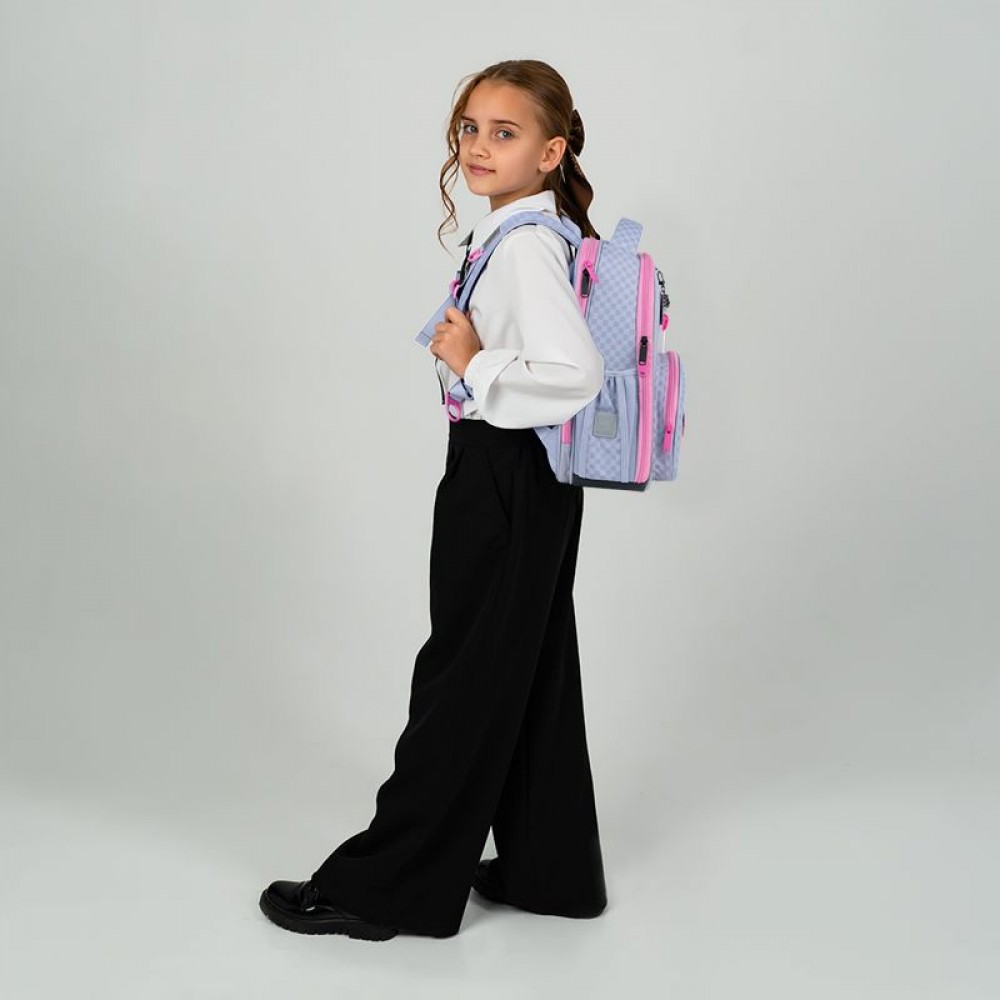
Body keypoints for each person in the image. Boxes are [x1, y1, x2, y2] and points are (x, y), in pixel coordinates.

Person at [259, 58, 609, 941]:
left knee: (461, 675)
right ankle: (551, 871)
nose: (479, 147)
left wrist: (473, 361)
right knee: (531, 666)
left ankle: (389, 890)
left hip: (502, 469)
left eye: (505, 133)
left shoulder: (524, 245)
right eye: (469, 129)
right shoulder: (527, 231)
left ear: (551, 151)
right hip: (532, 477)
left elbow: (575, 373)